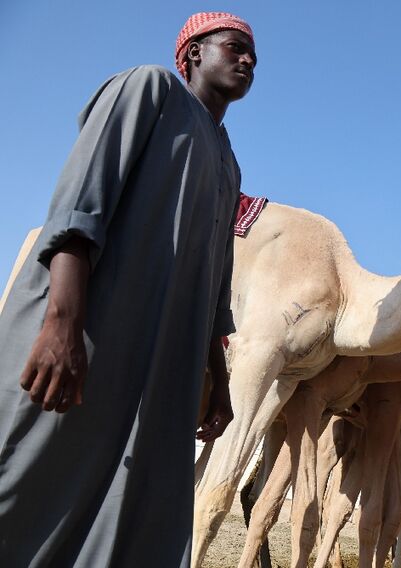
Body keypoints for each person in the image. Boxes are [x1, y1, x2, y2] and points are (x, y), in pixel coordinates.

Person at [0, 12, 256, 566]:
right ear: (192, 54)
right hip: (87, 335)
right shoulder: (151, 89)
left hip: (163, 365)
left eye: (252, 54)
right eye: (234, 47)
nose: (247, 60)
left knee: (138, 510)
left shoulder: (229, 163)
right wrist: (62, 328)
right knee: (29, 476)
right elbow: (78, 206)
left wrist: (218, 377)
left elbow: (217, 282)